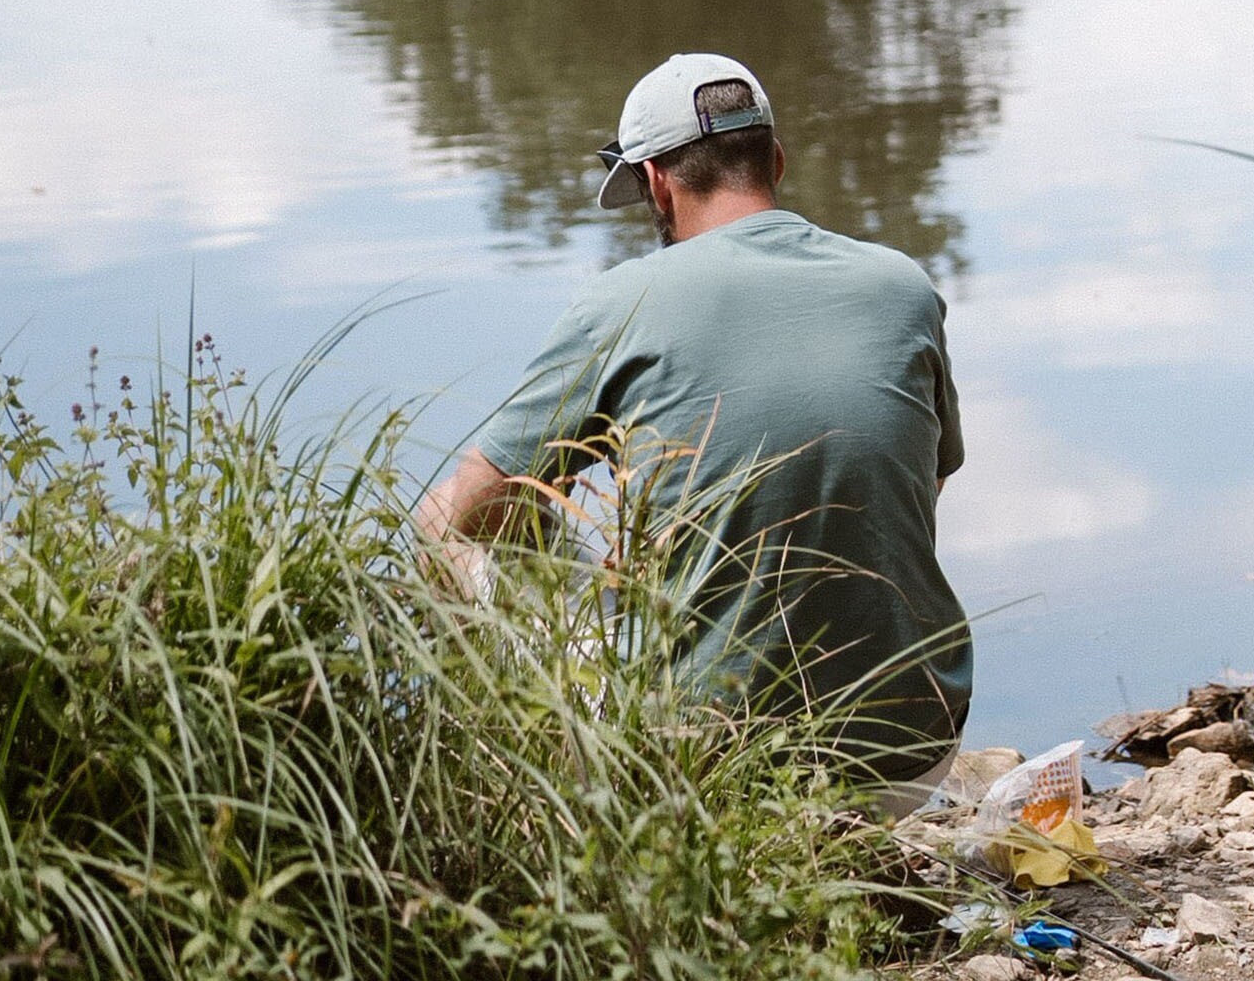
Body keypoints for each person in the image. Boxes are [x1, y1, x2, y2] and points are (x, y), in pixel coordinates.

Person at [417, 52, 972, 800]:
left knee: (446, 519)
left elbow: (475, 505)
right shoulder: (903, 285)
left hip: (712, 770)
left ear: (656, 183)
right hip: (912, 752)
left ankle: (534, 813)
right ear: (774, 159)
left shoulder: (623, 301)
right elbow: (919, 485)